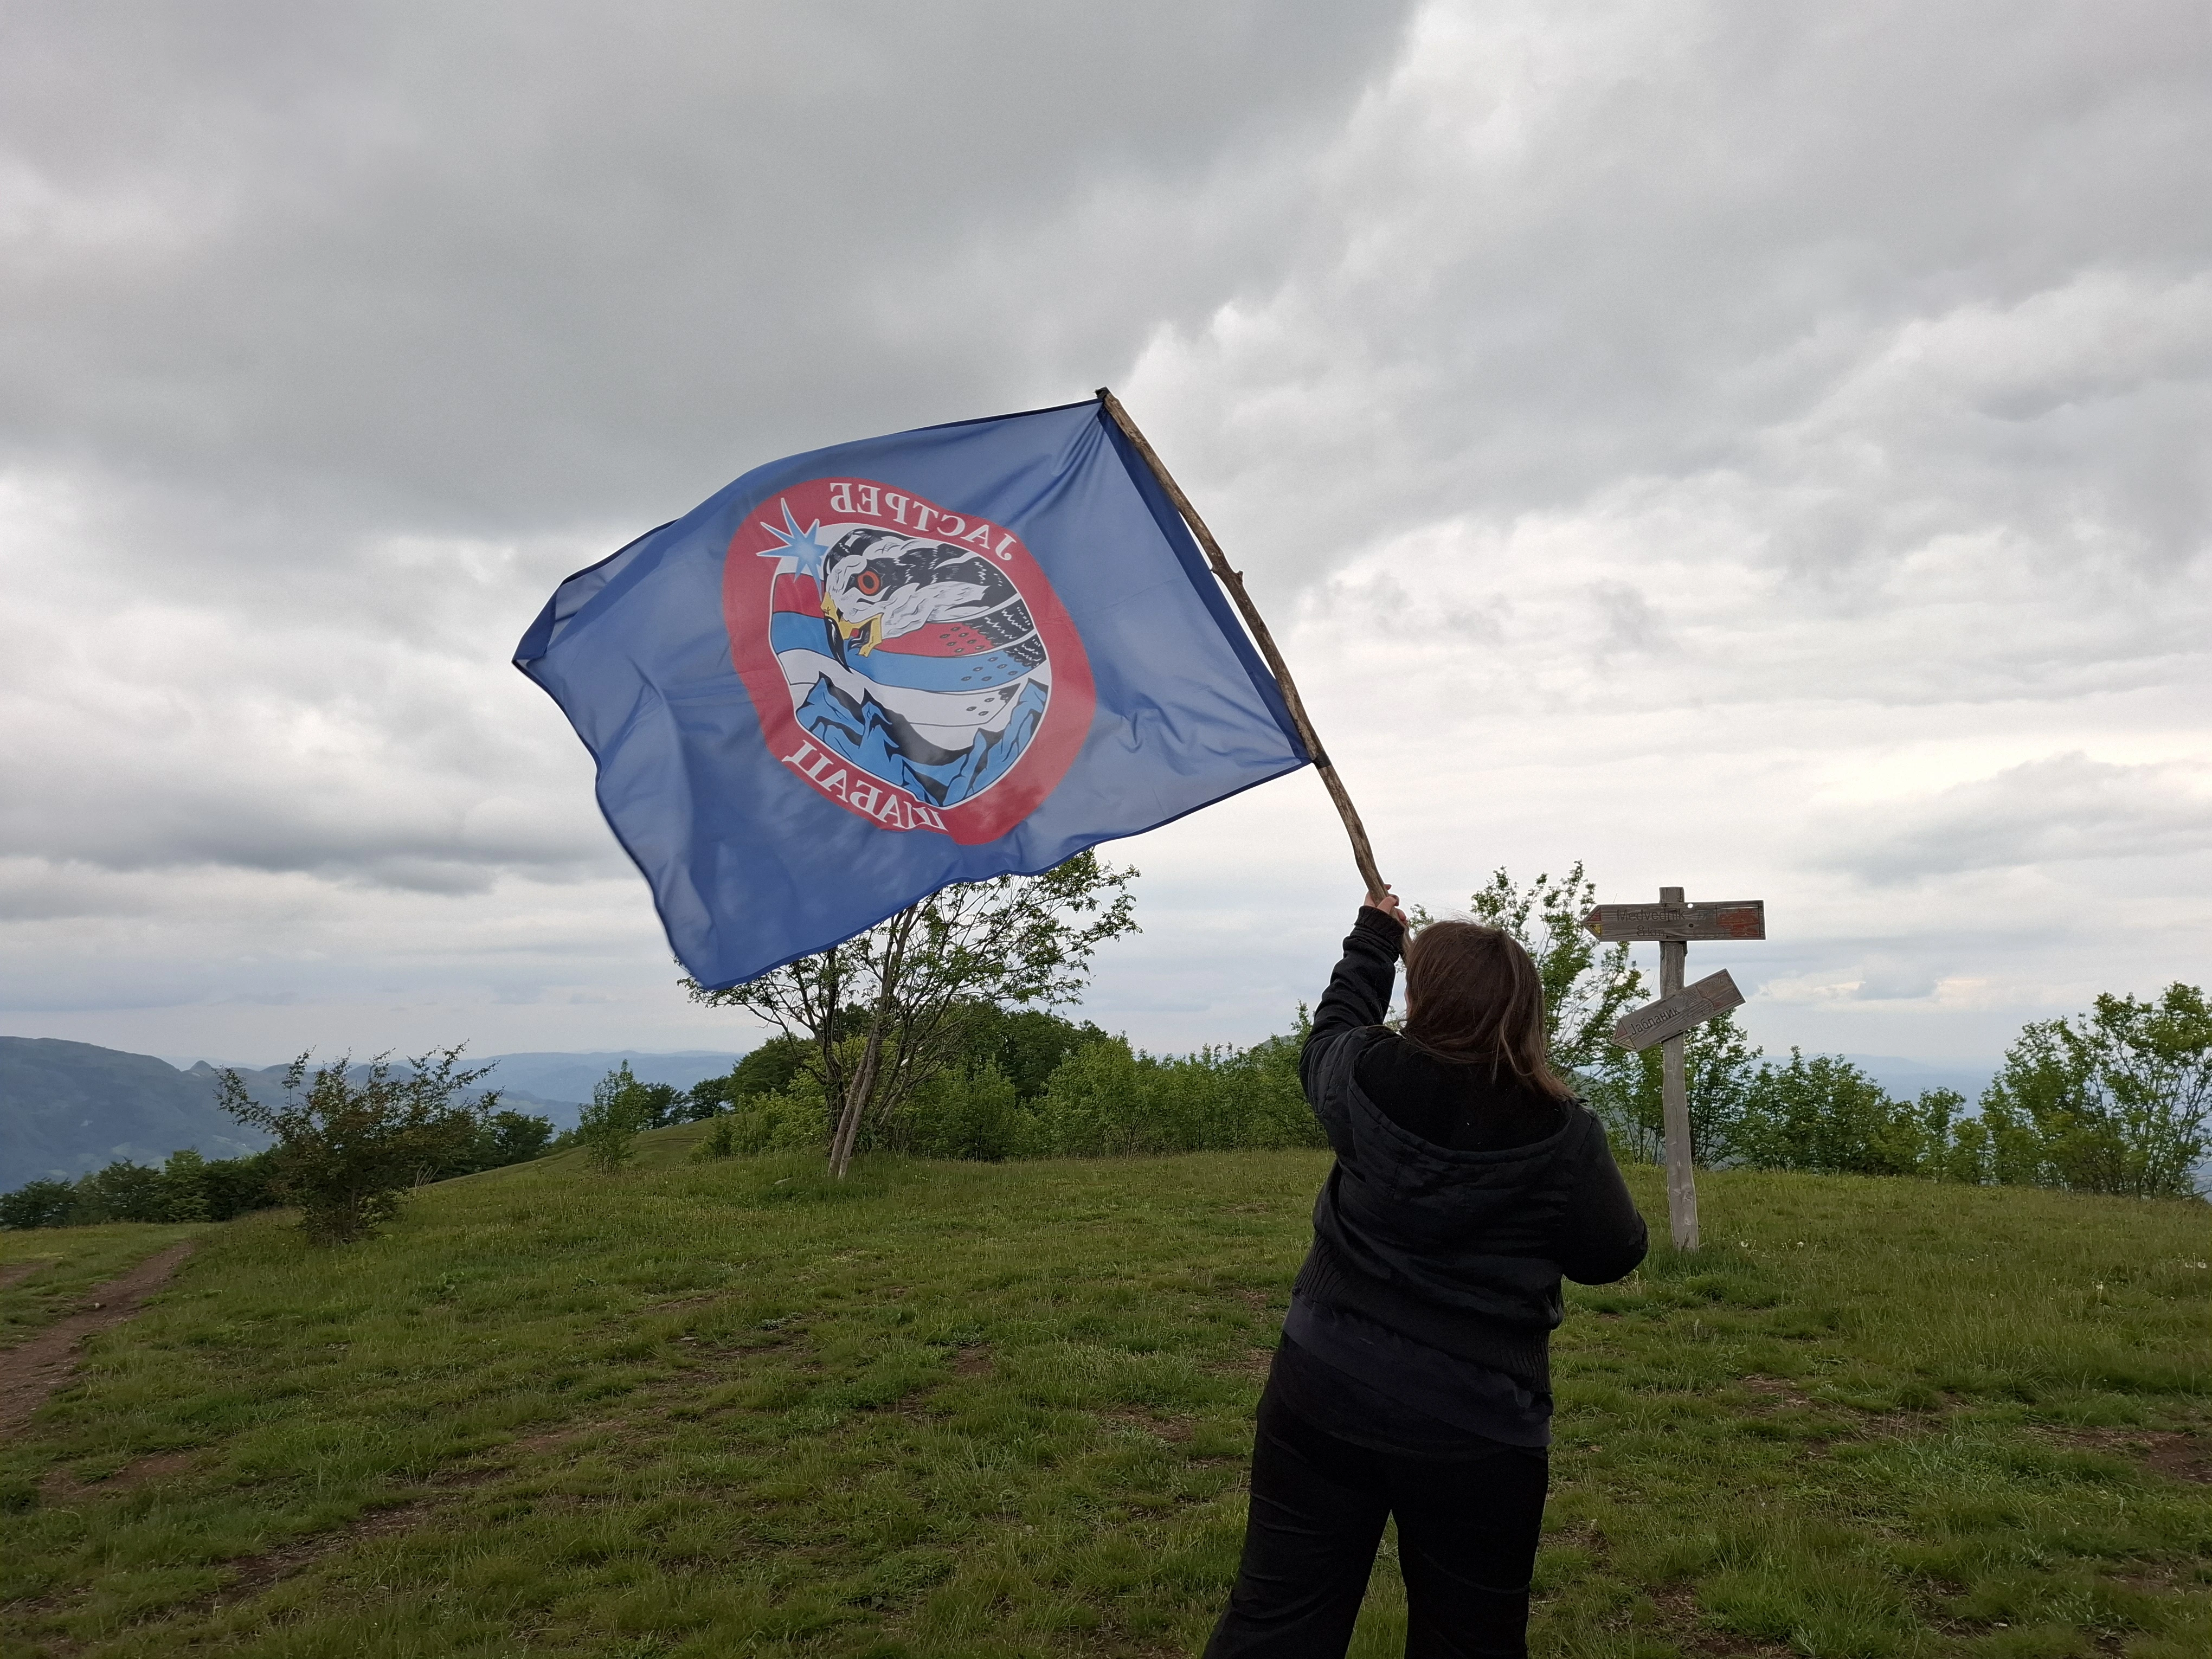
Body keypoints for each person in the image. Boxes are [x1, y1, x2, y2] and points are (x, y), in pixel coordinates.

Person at [1203, 889, 1649, 1659]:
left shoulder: (1362, 1072)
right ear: (1523, 1011)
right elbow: (1613, 1254)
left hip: (1324, 1379)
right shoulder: (1563, 1132)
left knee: (1278, 1619)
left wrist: (1374, 938)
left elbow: (1328, 1034)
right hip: (1478, 1420)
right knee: (1470, 1639)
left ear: (1421, 1001)